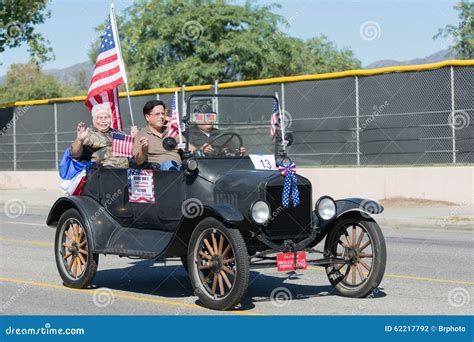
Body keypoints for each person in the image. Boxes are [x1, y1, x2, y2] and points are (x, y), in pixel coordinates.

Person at [71, 104, 137, 168]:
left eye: (106, 117)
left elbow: (131, 153)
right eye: (99, 118)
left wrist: (134, 140)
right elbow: (75, 155)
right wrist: (79, 140)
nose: (103, 121)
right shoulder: (88, 134)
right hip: (102, 172)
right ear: (93, 120)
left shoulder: (119, 133)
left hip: (124, 171)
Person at [134, 100, 192, 170]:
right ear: (147, 117)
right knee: (168, 164)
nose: (161, 117)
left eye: (163, 113)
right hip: (159, 174)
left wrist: (201, 151)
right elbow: (138, 161)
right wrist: (144, 149)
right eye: (157, 114)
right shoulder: (141, 134)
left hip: (180, 169)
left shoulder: (172, 131)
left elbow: (188, 148)